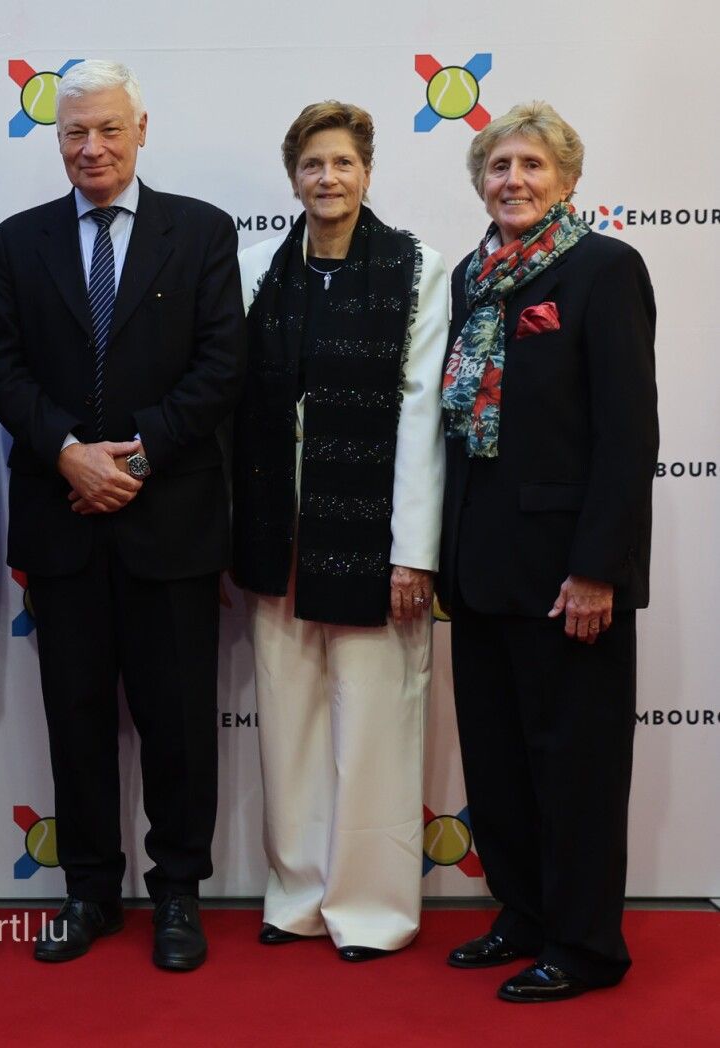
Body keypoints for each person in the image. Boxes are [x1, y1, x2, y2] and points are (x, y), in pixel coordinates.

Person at [0, 60, 245, 971]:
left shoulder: (201, 231)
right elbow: (1, 364)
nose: (91, 148)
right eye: (74, 133)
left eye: (107, 130)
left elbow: (222, 363)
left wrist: (134, 456)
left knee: (180, 728)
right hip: (63, 522)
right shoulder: (19, 241)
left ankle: (178, 894)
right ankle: (88, 891)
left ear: (141, 130)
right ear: (56, 140)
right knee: (76, 722)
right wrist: (66, 452)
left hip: (170, 519)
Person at [437, 102, 657, 1002]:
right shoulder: (470, 276)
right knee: (497, 765)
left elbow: (627, 432)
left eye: (532, 165)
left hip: (570, 572)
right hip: (480, 568)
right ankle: (523, 915)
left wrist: (600, 567)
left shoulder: (605, 268)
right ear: (480, 182)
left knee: (576, 770)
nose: (514, 180)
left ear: (568, 179)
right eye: (499, 166)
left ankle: (586, 944)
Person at [231, 101, 447, 962]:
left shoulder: (416, 266)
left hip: (374, 544)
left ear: (368, 173)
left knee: (375, 731)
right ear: (293, 178)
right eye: (313, 164)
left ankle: (372, 909)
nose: (329, 178)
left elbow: (422, 416)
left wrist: (412, 553)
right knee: (289, 727)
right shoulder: (255, 270)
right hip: (278, 535)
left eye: (344, 162)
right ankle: (297, 896)